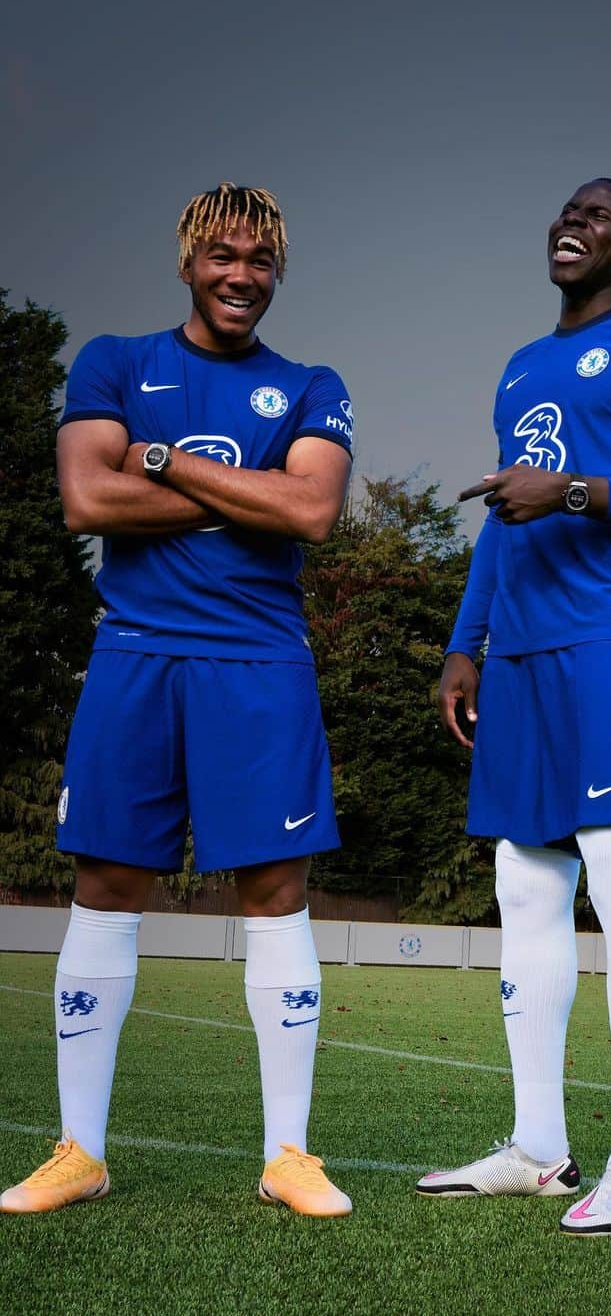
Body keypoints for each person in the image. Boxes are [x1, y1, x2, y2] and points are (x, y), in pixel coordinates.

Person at [1, 183, 355, 1218]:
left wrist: (155, 459)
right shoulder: (115, 361)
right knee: (108, 884)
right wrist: (233, 481)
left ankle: (288, 1153)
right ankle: (80, 1150)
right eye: (222, 256)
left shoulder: (311, 382)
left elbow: (312, 510)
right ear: (189, 260)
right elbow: (85, 497)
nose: (241, 275)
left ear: (276, 271)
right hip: (136, 655)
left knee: (275, 892)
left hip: (260, 663)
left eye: (260, 260)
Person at [415, 179, 611, 1235]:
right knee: (525, 880)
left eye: (598, 216)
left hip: (608, 631)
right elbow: (503, 519)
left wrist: (579, 489)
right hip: (522, 653)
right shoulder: (519, 367)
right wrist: (467, 645)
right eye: (565, 209)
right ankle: (539, 1146)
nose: (574, 222)